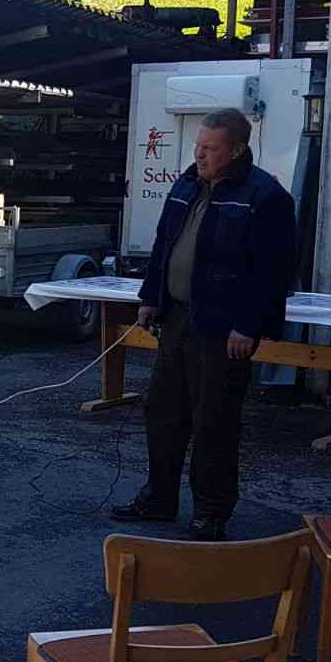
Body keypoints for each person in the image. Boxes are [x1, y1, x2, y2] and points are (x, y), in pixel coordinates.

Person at [110, 108, 297, 541]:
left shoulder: (265, 196)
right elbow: (164, 244)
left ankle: (211, 511)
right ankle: (159, 498)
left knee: (214, 421)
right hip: (177, 317)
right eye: (198, 146)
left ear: (237, 150)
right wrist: (150, 298)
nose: (200, 155)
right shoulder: (187, 184)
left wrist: (248, 325)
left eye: (210, 148)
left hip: (222, 328)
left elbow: (274, 271)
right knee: (163, 412)